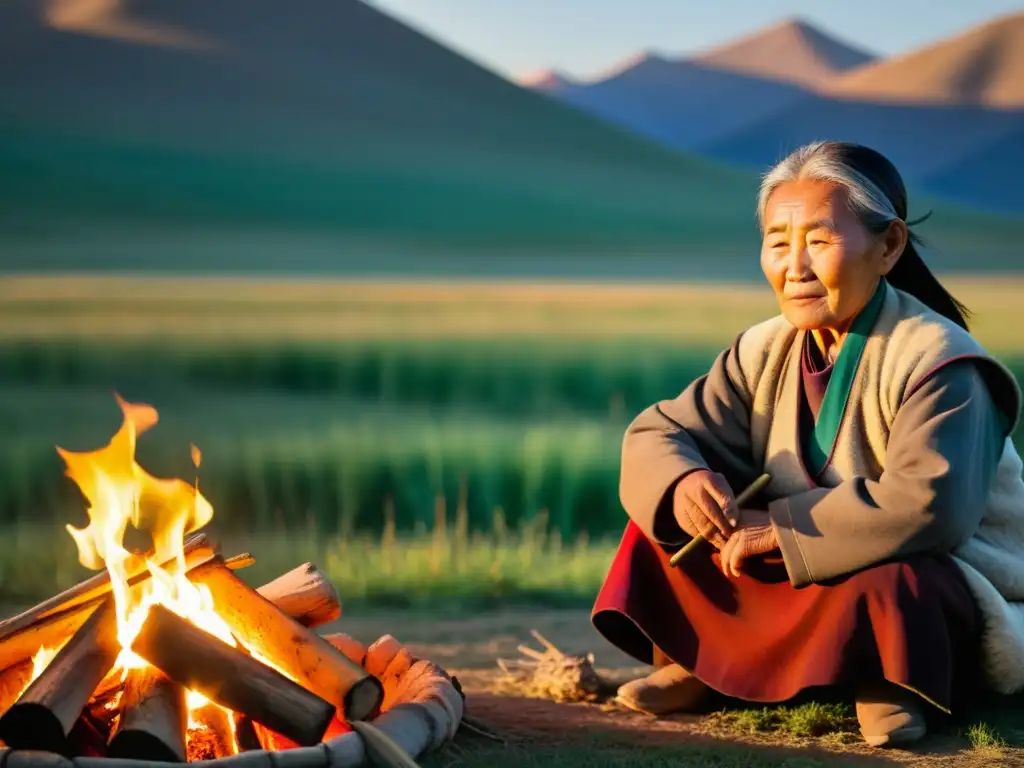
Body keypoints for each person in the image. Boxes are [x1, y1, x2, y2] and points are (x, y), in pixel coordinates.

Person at [591, 140, 1024, 748]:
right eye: (777, 242)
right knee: (666, 528)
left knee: (894, 575)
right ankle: (699, 666)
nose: (794, 266)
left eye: (818, 241)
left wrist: (780, 532)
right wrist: (687, 482)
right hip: (818, 547)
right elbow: (661, 432)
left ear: (889, 246)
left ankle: (892, 682)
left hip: (942, 566)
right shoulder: (762, 350)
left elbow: (932, 508)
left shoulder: (941, 362)